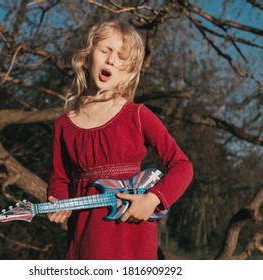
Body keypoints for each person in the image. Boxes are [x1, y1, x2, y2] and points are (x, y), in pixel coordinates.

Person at [46, 20, 193, 260]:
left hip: (133, 237)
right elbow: (59, 178)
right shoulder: (64, 124)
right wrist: (58, 201)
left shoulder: (137, 114)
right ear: (86, 58)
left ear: (128, 71)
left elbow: (183, 166)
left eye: (122, 57)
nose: (112, 60)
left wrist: (153, 198)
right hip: (86, 240)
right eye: (105, 51)